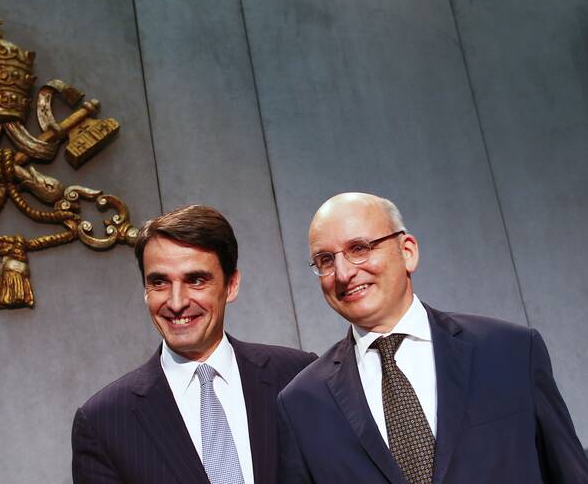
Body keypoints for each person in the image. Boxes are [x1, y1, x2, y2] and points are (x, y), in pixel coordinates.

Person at [277, 192, 588, 483]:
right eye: (326, 260)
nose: (343, 273)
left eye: (359, 248)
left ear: (408, 251)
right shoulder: (302, 404)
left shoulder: (510, 350)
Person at [72, 204, 316, 484]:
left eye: (196, 280)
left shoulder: (298, 375)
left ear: (231, 284)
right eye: (160, 282)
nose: (176, 303)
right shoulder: (103, 422)